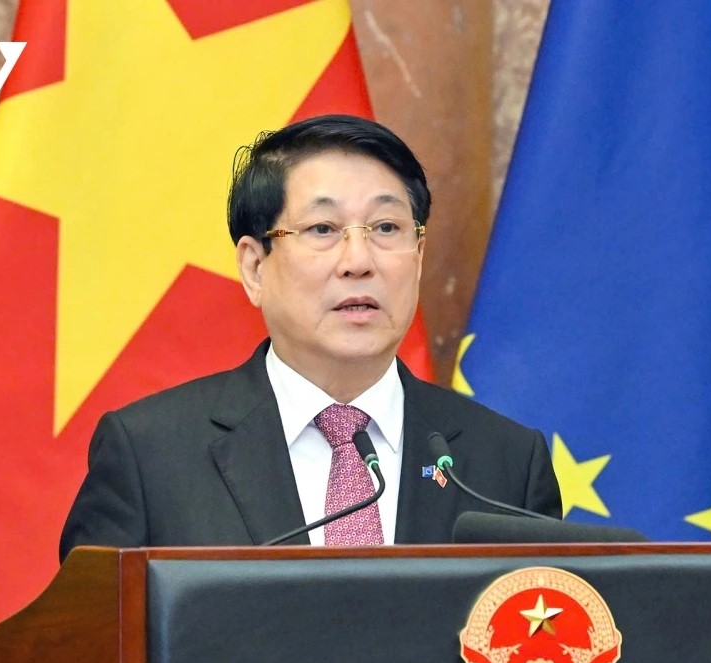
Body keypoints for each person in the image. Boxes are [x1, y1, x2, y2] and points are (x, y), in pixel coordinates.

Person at [58, 114, 560, 560]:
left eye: (387, 228)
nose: (359, 261)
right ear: (255, 267)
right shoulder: (151, 455)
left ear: (419, 257)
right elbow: (92, 634)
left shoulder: (507, 464)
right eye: (323, 229)